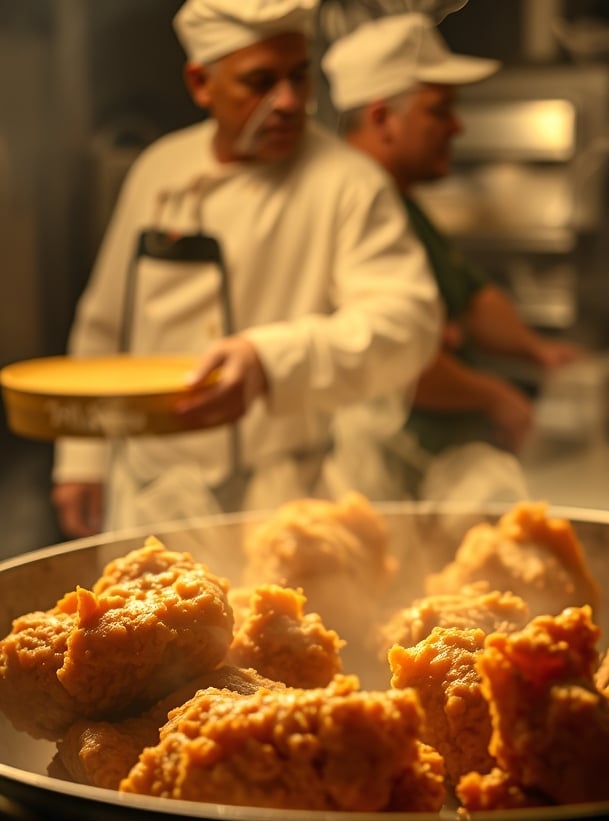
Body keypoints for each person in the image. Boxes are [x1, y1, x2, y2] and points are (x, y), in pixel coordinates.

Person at [50, 0, 441, 538]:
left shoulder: (349, 183)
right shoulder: (159, 169)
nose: (288, 102)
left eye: (299, 78)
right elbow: (104, 325)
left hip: (281, 503)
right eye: (259, 82)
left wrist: (271, 359)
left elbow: (408, 323)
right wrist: (80, 462)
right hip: (149, 495)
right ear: (200, 83)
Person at [321, 12, 585, 498]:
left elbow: (471, 296)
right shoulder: (343, 208)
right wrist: (494, 396)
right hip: (381, 485)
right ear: (382, 118)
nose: (457, 126)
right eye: (439, 111)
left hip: (442, 475)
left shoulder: (402, 203)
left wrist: (536, 350)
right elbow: (392, 357)